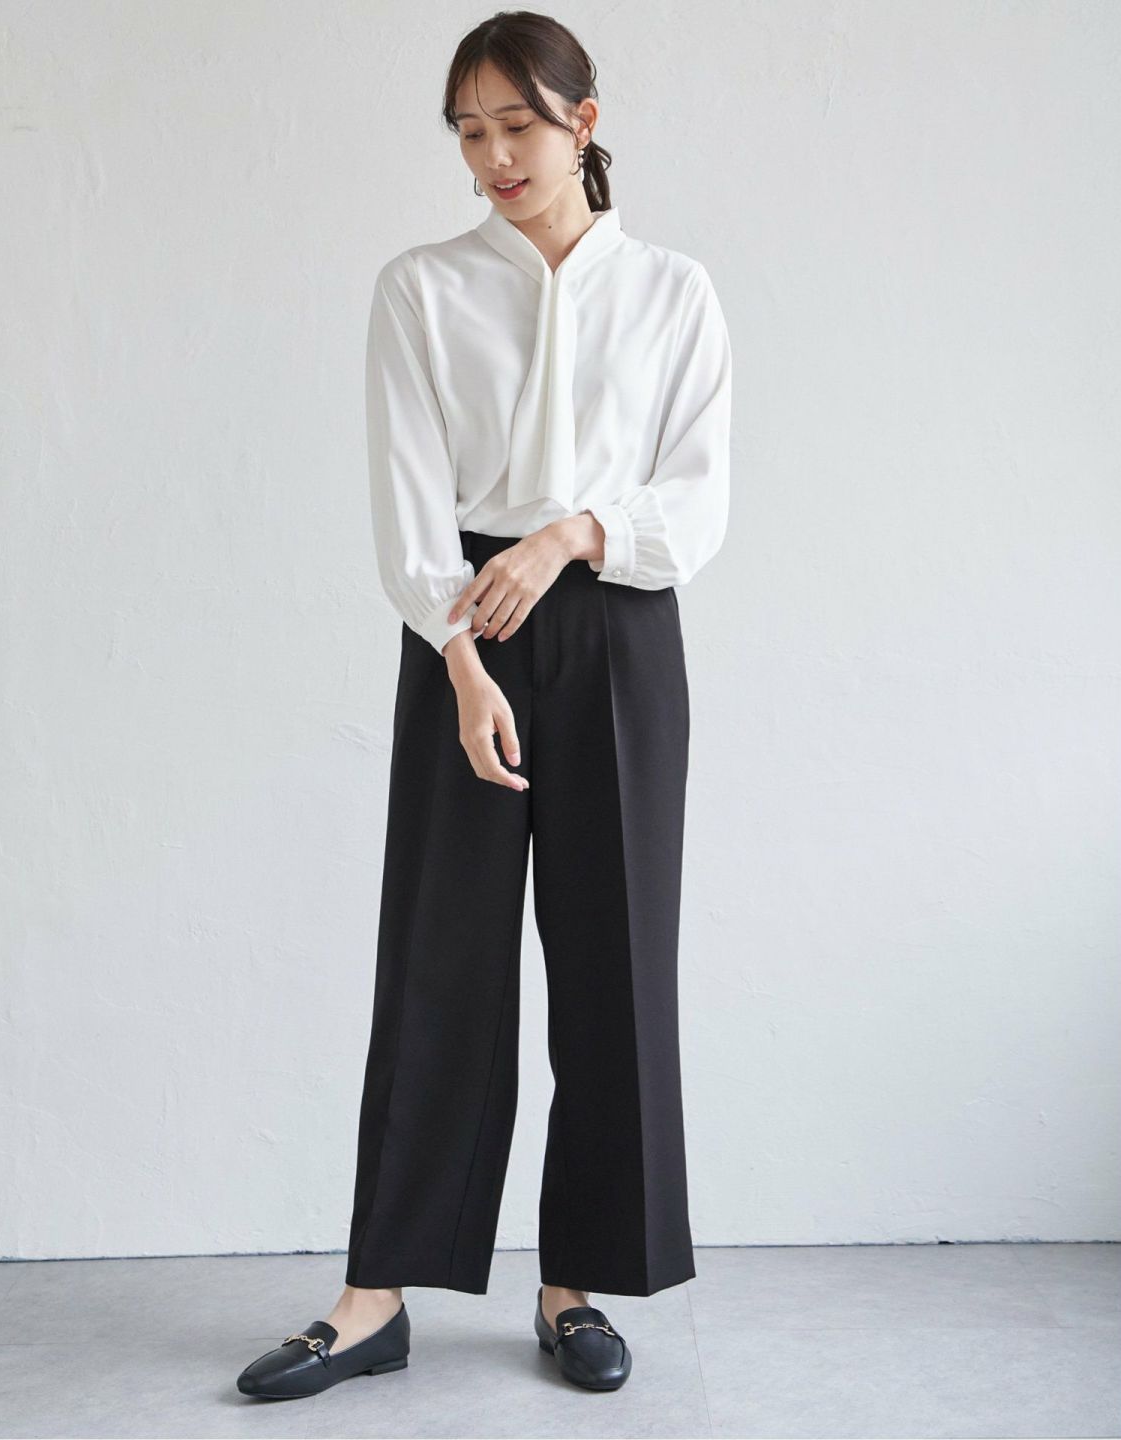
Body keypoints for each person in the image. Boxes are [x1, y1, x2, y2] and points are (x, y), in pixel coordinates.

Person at [237, 8, 732, 1402]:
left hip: (617, 625)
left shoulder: (675, 292)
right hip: (461, 629)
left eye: (517, 124)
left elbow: (696, 503)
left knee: (614, 963)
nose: (494, 156)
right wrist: (461, 665)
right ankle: (373, 1298)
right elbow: (408, 504)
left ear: (584, 122)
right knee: (437, 960)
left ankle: (577, 1284)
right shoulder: (421, 287)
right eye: (469, 132)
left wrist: (571, 534)